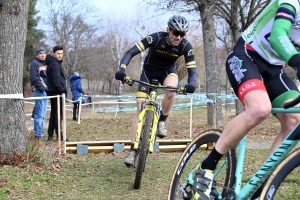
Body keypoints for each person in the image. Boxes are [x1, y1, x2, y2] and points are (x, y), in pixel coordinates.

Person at [191, 1, 300, 199]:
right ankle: (206, 167)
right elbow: (278, 36)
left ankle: (261, 188)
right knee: (260, 109)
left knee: (295, 120)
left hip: (275, 70)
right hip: (246, 55)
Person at [115, 15, 197, 166]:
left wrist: (191, 84)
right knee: (140, 107)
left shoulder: (186, 46)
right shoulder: (156, 38)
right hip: (148, 72)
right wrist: (122, 69)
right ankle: (133, 150)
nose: (178, 37)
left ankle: (162, 121)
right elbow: (131, 52)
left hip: (167, 72)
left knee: (172, 90)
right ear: (168, 30)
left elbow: (192, 71)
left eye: (182, 34)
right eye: (175, 33)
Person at [46, 45, 68, 142]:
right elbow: (56, 80)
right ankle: (59, 134)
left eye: (61, 54)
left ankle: (50, 135)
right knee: (57, 114)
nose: (60, 55)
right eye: (58, 53)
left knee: (54, 113)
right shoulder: (55, 64)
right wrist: (62, 90)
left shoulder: (53, 63)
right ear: (53, 54)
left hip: (53, 91)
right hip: (56, 92)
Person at [30, 46, 48, 139]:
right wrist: (42, 88)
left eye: (44, 53)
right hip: (39, 91)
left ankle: (41, 132)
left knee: (43, 113)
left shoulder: (45, 64)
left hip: (45, 91)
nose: (43, 55)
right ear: (37, 55)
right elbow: (34, 78)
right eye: (40, 53)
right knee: (39, 113)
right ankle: (38, 134)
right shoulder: (34, 63)